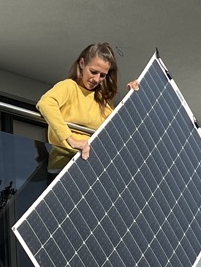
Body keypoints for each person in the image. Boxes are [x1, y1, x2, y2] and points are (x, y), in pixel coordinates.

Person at [36, 42, 138, 174]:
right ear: (82, 63)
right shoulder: (69, 87)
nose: (96, 79)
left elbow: (117, 130)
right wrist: (72, 140)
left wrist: (134, 98)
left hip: (94, 167)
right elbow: (46, 103)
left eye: (102, 75)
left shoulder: (102, 100)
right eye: (93, 72)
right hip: (64, 167)